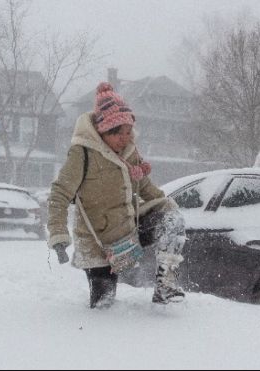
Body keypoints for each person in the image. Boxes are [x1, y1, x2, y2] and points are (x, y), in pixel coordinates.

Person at [47, 82, 186, 308]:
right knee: (104, 304)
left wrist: (171, 207)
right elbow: (59, 194)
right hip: (97, 242)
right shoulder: (83, 153)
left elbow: (146, 188)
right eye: (118, 132)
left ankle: (166, 285)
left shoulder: (130, 152)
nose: (125, 138)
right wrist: (59, 235)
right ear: (103, 131)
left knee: (172, 220)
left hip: (130, 231)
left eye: (128, 131)